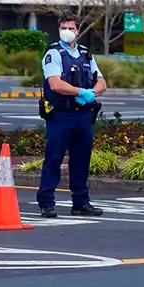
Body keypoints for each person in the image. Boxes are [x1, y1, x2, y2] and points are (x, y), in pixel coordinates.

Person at [36, 12, 107, 218]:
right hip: (61, 115)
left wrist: (92, 93)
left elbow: (101, 81)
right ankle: (46, 202)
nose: (67, 31)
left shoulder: (85, 54)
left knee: (81, 159)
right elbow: (55, 83)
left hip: (83, 114)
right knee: (54, 158)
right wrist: (79, 92)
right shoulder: (54, 53)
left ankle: (81, 203)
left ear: (77, 30)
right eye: (63, 28)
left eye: (71, 28)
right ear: (59, 29)